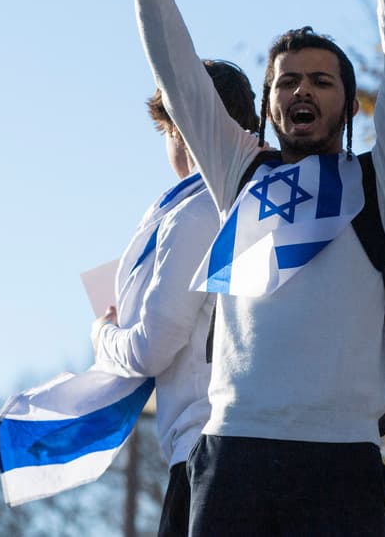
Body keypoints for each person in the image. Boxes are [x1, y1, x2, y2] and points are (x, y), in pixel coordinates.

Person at [115, 0, 385, 535]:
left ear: (348, 101)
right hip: (233, 451)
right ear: (267, 104)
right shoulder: (238, 172)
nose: (301, 91)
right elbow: (179, 75)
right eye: (286, 81)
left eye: (321, 80)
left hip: (342, 457)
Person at [91, 62, 260, 537]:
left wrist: (104, 336)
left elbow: (152, 346)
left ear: (181, 131)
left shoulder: (197, 212)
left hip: (205, 456)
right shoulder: (264, 200)